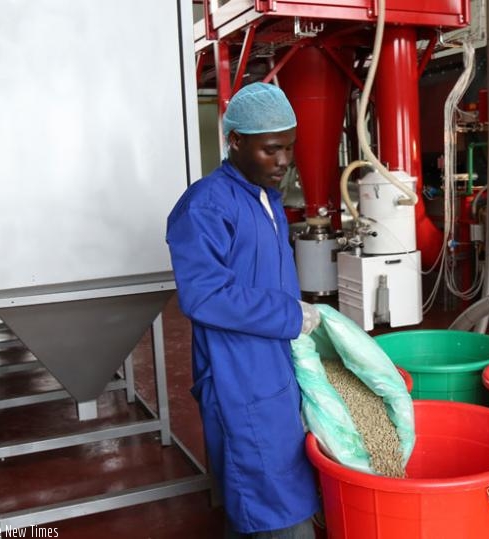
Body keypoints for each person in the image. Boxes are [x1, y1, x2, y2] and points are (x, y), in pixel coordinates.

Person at [166, 82, 322, 538]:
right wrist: (293, 316)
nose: (284, 161)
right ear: (235, 141)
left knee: (284, 477)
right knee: (269, 501)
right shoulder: (205, 207)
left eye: (290, 148)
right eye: (271, 149)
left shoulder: (265, 198)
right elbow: (205, 295)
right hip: (240, 377)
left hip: (277, 365)